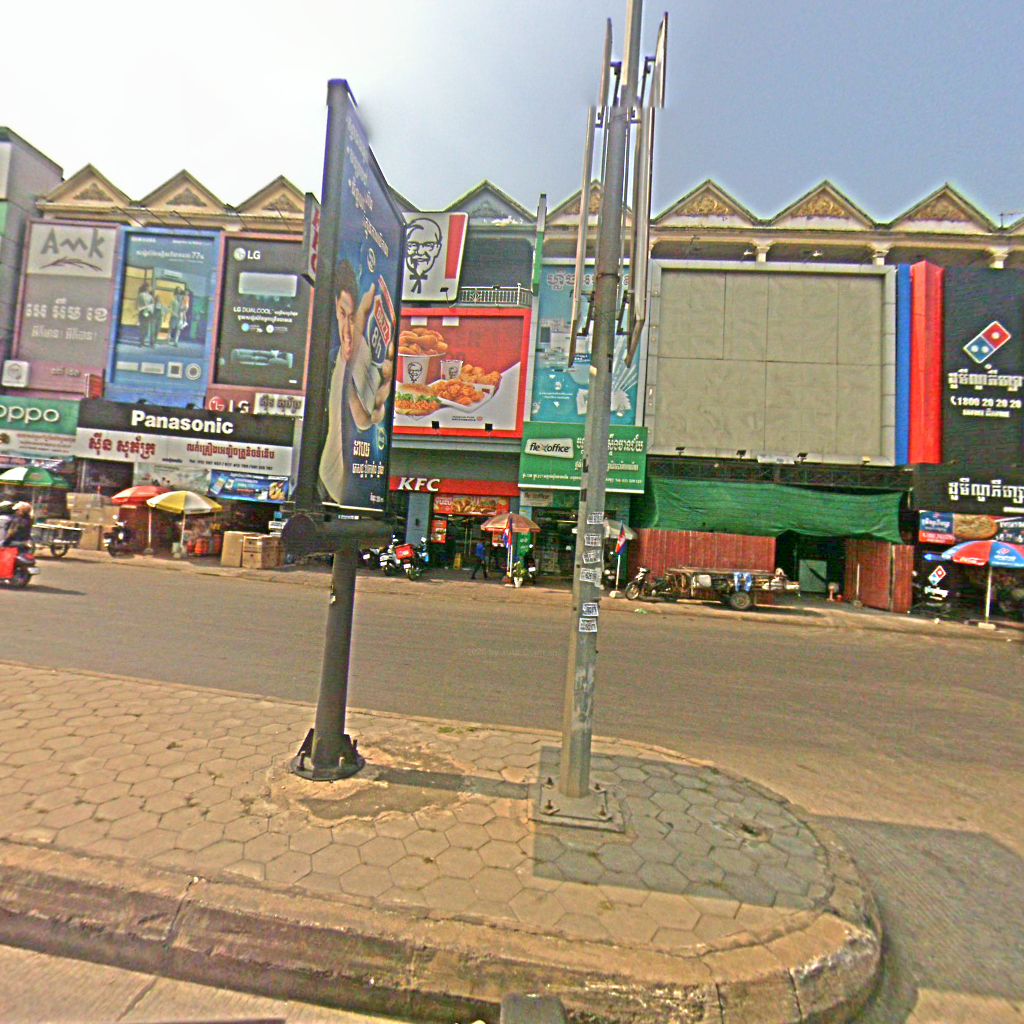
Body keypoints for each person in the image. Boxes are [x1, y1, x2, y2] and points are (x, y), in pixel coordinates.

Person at [318, 260, 394, 504]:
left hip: (343, 488)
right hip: (329, 481)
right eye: (342, 314)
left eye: (351, 317)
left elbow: (363, 419)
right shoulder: (337, 356)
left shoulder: (358, 351)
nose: (347, 330)